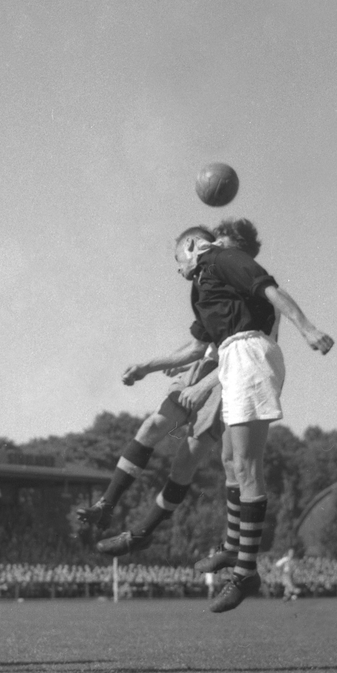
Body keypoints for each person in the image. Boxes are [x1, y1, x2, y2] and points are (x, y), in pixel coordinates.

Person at [174, 225, 333, 611]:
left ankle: (245, 572)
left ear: (193, 245)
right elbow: (202, 344)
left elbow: (271, 291)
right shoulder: (206, 281)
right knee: (229, 457)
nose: (177, 269)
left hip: (247, 356)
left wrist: (307, 328)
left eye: (178, 258)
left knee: (246, 466)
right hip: (234, 358)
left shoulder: (222, 258)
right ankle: (233, 548)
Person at [82, 218, 257, 559]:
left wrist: (207, 382)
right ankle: (107, 503)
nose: (212, 254)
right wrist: (147, 367)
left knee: (185, 459)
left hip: (227, 378)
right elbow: (196, 346)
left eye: (219, 246)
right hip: (207, 365)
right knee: (152, 426)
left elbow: (247, 354)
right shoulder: (214, 282)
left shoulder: (248, 285)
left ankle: (143, 532)